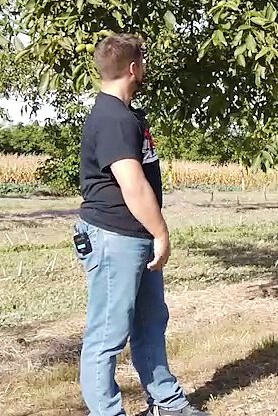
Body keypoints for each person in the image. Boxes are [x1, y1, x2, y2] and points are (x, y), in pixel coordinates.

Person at [72, 34, 208, 416]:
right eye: (143, 62)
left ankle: (166, 403)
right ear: (133, 69)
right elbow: (132, 183)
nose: (145, 67)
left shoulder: (125, 115)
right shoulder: (112, 118)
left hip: (134, 235)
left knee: (151, 322)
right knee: (108, 334)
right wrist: (162, 232)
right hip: (115, 235)